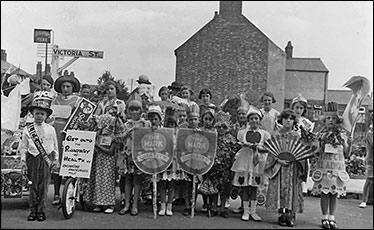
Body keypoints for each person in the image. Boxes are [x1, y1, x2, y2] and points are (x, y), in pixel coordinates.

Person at [264, 109, 308, 227]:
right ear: (281, 120)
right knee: (280, 190)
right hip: (279, 167)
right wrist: (278, 160)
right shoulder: (276, 134)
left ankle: (291, 215)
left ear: (294, 121)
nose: (288, 121)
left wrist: (298, 162)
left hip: (293, 168)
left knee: (292, 191)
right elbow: (271, 151)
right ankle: (281, 214)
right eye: (286, 118)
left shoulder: (297, 136)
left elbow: (302, 153)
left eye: (291, 119)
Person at [19, 91, 59, 221]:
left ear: (46, 115)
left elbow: (55, 145)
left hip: (46, 158)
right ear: (33, 114)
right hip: (32, 158)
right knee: (33, 185)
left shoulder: (50, 129)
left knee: (44, 186)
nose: (39, 116)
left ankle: (41, 210)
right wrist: (23, 160)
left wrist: (56, 160)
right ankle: (32, 210)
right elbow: (24, 146)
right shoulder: (27, 129)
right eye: (37, 113)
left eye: (42, 114)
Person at [311, 102, 351, 229]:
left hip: (337, 168)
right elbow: (316, 151)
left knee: (334, 193)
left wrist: (349, 144)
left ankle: (332, 218)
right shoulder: (320, 135)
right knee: (324, 193)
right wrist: (317, 145)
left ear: (337, 120)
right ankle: (324, 217)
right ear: (324, 120)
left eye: (333, 118)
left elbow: (347, 153)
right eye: (328, 118)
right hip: (324, 167)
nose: (331, 121)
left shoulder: (342, 135)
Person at [231, 106, 271, 222]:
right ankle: (245, 211)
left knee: (254, 186)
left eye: (256, 118)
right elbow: (239, 145)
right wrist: (245, 145)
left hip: (257, 163)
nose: (254, 121)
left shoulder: (265, 134)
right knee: (244, 186)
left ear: (260, 120)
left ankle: (253, 211)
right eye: (252, 118)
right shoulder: (242, 133)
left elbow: (267, 149)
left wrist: (257, 147)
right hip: (245, 162)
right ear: (248, 120)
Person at [83, 112, 123, 214]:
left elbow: (110, 152)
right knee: (97, 181)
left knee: (107, 183)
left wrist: (97, 146)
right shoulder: (98, 135)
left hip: (108, 163)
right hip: (98, 161)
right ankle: (99, 203)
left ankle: (110, 204)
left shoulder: (113, 137)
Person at [51, 74, 81, 206]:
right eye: (63, 86)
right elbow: (50, 116)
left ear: (72, 87)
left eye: (68, 86)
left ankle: (70, 193)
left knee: (70, 162)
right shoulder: (55, 100)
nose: (65, 89)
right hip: (56, 130)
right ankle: (57, 194)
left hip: (70, 132)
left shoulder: (77, 100)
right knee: (57, 161)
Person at [118, 100, 151, 216]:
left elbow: (150, 135)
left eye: (136, 109)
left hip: (139, 154)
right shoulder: (127, 124)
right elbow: (120, 137)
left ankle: (135, 205)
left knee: (137, 180)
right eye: (131, 110)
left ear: (140, 111)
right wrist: (127, 133)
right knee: (127, 179)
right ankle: (127, 203)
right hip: (128, 154)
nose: (134, 112)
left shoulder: (145, 123)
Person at [210, 110, 241, 218]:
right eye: (219, 127)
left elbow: (236, 151)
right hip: (213, 167)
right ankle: (213, 207)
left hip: (226, 167)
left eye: (223, 127)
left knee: (224, 189)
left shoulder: (231, 139)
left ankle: (222, 208)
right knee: (214, 188)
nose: (221, 129)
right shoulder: (212, 137)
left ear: (227, 128)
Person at [199, 110, 217, 216]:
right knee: (204, 183)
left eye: (210, 119)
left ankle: (213, 204)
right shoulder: (200, 130)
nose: (207, 122)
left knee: (213, 183)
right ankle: (205, 203)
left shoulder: (215, 131)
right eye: (206, 119)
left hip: (213, 160)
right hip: (202, 159)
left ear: (213, 121)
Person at [359, 112, 373, 208]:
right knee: (369, 180)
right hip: (371, 160)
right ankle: (364, 200)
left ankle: (370, 199)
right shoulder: (370, 133)